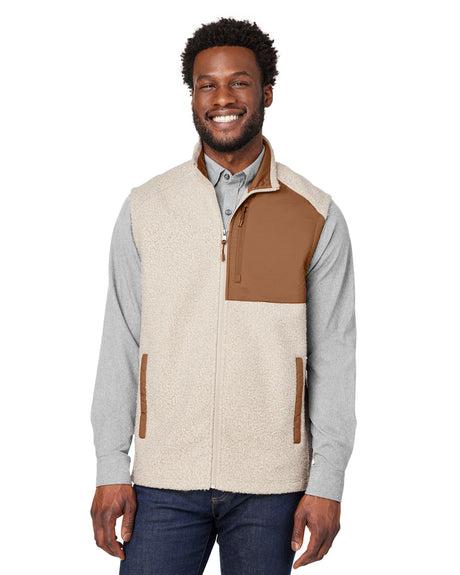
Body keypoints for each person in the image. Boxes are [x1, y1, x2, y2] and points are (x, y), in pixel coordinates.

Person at [90, 17, 357, 574]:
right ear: (192, 97)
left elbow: (333, 358)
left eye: (239, 82)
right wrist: (111, 465)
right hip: (162, 479)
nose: (222, 98)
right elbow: (121, 341)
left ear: (267, 93)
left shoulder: (316, 214)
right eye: (206, 85)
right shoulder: (146, 207)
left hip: (272, 486)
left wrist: (327, 481)